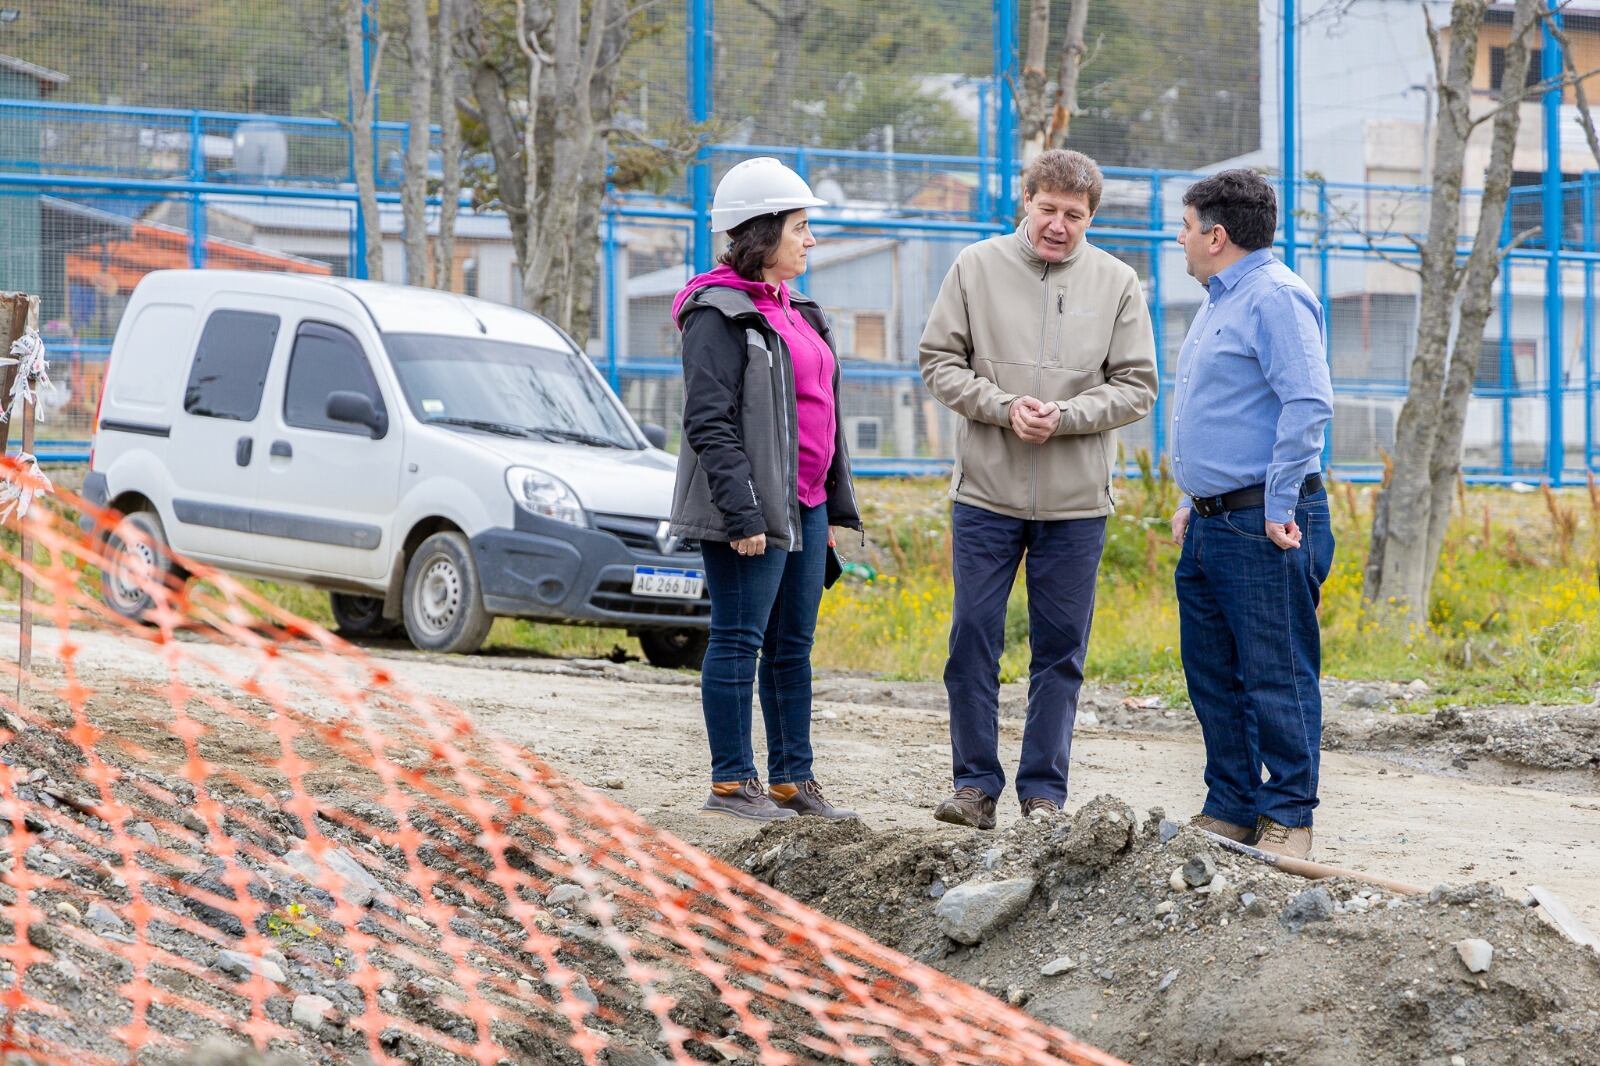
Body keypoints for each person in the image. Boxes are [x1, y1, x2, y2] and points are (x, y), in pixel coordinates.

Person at [919, 148, 1158, 830]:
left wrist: (1065, 417)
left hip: (1076, 504)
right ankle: (973, 787)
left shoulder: (1117, 282)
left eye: (1074, 216)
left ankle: (1044, 795)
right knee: (972, 638)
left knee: (1060, 651)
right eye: (1048, 209)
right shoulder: (975, 267)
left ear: (1092, 218)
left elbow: (1138, 385)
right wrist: (1002, 405)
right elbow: (938, 360)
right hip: (985, 496)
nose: (1059, 225)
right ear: (1026, 201)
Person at [668, 157, 862, 823]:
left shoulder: (798, 310)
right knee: (739, 639)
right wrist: (742, 511)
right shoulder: (715, 313)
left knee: (792, 647)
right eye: (801, 227)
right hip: (748, 511)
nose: (811, 240)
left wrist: (832, 507)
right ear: (762, 233)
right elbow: (708, 421)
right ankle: (731, 784)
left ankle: (791, 780)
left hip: (804, 507)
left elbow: (820, 410)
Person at [1169, 168, 1335, 859]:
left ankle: (1290, 816)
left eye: (1183, 227)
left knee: (1276, 674)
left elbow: (1307, 403)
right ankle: (1232, 805)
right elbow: (1228, 411)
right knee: (1213, 674)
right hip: (1212, 522)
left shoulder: (1274, 297)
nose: (1177, 239)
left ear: (1216, 234)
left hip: (1265, 522)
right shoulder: (1219, 299)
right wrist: (1191, 499)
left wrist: (1273, 505)